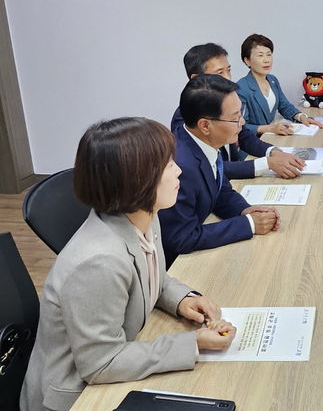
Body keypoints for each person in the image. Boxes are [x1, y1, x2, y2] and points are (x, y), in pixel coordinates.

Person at [20, 118, 236, 411]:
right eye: (167, 165)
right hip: (77, 397)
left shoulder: (145, 215)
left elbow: (151, 275)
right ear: (137, 181)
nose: (179, 170)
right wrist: (193, 343)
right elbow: (102, 363)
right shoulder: (98, 262)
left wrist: (182, 298)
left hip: (116, 359)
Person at [158, 74, 280, 266]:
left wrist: (244, 210)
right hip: (178, 266)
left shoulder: (202, 141)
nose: (241, 123)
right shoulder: (180, 166)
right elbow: (182, 237)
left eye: (241, 113)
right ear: (205, 125)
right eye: (235, 118)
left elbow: (220, 189)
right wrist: (248, 225)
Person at [171, 43, 306, 179]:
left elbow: (245, 136)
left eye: (228, 70)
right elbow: (210, 168)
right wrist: (266, 164)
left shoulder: (228, 103)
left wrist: (273, 151)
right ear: (196, 78)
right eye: (219, 73)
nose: (228, 78)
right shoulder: (183, 118)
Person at [236, 33, 323, 136]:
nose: (266, 60)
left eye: (269, 54)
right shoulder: (241, 88)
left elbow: (284, 106)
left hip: (270, 138)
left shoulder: (272, 80)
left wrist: (301, 117)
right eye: (260, 55)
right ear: (247, 61)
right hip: (251, 144)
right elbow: (240, 126)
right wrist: (269, 128)